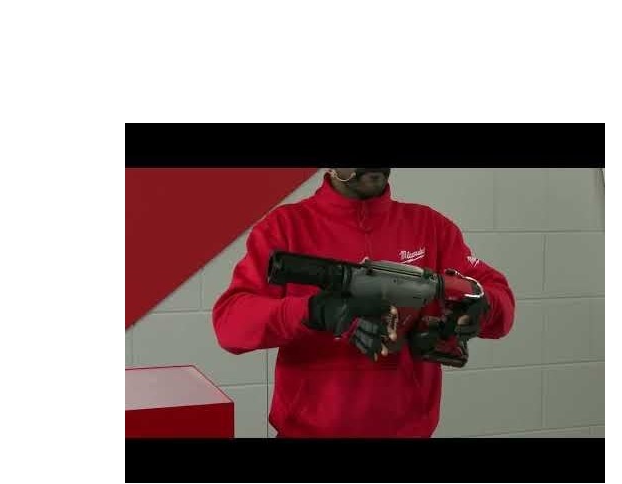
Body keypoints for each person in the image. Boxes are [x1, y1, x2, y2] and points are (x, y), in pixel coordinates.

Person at [212, 169, 515, 437]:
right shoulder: (285, 227)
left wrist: (482, 307)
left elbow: (499, 298)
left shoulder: (431, 227)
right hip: (307, 432)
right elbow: (230, 323)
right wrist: (312, 312)